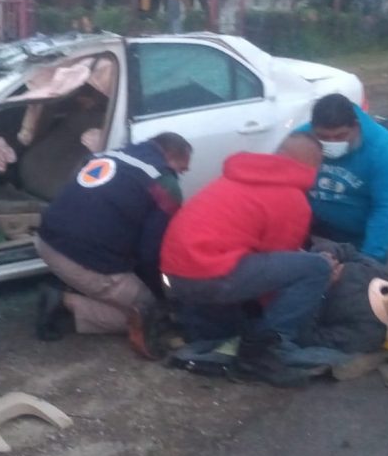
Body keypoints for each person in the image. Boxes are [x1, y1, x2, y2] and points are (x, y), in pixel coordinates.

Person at [160, 133, 330, 387]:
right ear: (313, 166)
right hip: (210, 273)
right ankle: (260, 355)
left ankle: (198, 327)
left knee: (226, 330)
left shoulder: (235, 177)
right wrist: (283, 320)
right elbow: (272, 281)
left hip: (176, 275)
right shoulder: (292, 199)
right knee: (317, 268)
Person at [34, 133, 193, 358]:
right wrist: (160, 293)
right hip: (79, 257)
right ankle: (65, 303)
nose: (181, 175)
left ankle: (69, 291)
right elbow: (150, 254)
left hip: (45, 240)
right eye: (181, 169)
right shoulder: (163, 183)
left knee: (134, 296)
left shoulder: (114, 155)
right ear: (170, 156)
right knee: (151, 311)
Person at [297, 93, 388, 263]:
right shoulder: (299, 139)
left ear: (355, 126)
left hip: (358, 238)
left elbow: (387, 207)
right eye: (323, 137)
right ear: (312, 129)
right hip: (310, 232)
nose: (331, 142)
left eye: (340, 136)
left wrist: (369, 259)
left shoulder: (382, 149)